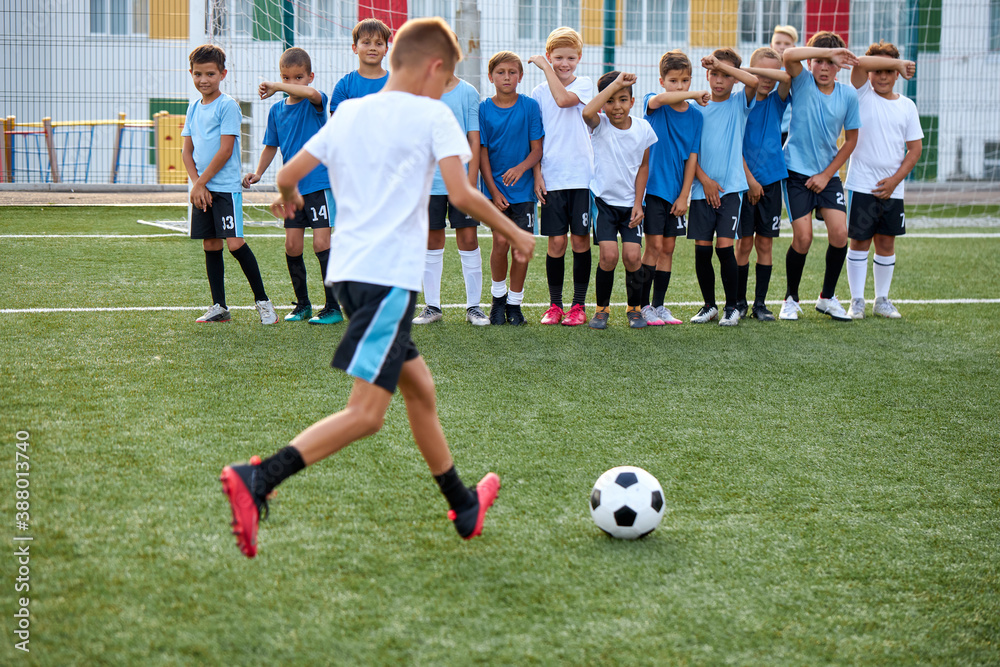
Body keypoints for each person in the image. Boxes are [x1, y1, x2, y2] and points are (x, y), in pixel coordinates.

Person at [219, 18, 536, 559]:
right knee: (366, 414)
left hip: (348, 271)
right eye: (447, 78)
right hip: (387, 278)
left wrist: (288, 197)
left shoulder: (351, 112)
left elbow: (288, 173)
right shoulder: (433, 113)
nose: (444, 88)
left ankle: (462, 506)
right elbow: (461, 193)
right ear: (435, 68)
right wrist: (513, 231)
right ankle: (259, 478)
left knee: (421, 391)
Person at [243, 47, 343, 325]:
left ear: (310, 77)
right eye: (287, 77)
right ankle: (303, 305)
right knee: (292, 246)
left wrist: (276, 85)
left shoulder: (316, 102)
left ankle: (333, 307)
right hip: (292, 191)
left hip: (318, 184)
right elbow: (270, 146)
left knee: (322, 244)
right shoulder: (276, 111)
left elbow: (312, 94)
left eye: (299, 77)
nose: (293, 83)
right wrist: (259, 173)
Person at [181, 44, 276, 325]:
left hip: (224, 189)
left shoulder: (228, 106)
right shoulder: (193, 107)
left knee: (235, 244)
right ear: (191, 73)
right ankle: (219, 307)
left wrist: (201, 183)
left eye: (210, 73)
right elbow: (186, 151)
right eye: (198, 74)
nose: (203, 80)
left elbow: (225, 151)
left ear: (222, 74)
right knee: (211, 244)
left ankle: (264, 303)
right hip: (204, 189)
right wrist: (197, 186)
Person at [779, 32, 860, 321]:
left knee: (840, 233)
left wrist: (827, 175)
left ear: (839, 66)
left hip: (828, 176)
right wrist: (822, 53)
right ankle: (790, 298)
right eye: (818, 61)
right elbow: (788, 56)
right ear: (810, 63)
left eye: (830, 62)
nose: (824, 68)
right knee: (803, 237)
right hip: (796, 173)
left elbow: (851, 140)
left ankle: (827, 297)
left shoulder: (848, 94)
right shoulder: (801, 82)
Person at [844, 42, 922, 319]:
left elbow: (915, 150)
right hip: (861, 185)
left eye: (890, 70)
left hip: (893, 189)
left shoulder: (907, 106)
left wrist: (894, 181)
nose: (883, 76)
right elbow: (858, 64)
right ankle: (856, 301)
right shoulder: (862, 94)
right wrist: (896, 63)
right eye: (878, 70)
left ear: (897, 75)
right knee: (859, 242)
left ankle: (882, 299)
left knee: (886, 243)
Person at [529, 27, 595, 326]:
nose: (564, 63)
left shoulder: (584, 84)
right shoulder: (537, 93)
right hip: (552, 178)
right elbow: (537, 138)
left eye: (570, 57)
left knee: (580, 242)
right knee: (556, 244)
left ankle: (578, 306)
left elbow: (564, 100)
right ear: (549, 55)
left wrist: (545, 69)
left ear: (579, 58)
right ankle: (555, 306)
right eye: (557, 58)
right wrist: (537, 174)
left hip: (580, 178)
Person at [689, 49, 759, 326]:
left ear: (734, 80)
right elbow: (688, 152)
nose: (719, 80)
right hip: (700, 188)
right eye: (714, 73)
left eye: (726, 75)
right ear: (707, 75)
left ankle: (732, 307)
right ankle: (709, 306)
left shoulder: (739, 102)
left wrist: (721, 63)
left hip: (730, 189)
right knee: (703, 249)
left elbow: (753, 82)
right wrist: (704, 180)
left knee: (724, 247)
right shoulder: (695, 107)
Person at [583, 71, 658, 329]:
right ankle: (602, 309)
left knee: (633, 256)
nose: (617, 106)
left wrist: (639, 203)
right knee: (608, 256)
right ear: (604, 104)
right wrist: (616, 84)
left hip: (631, 206)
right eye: (611, 101)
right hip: (604, 204)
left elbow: (643, 167)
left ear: (632, 102)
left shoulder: (643, 129)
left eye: (623, 99)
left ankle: (634, 308)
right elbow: (586, 113)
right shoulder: (599, 124)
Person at [412, 72, 488, 326]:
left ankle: (474, 308)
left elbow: (474, 139)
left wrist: (471, 180)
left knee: (468, 238)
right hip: (428, 182)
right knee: (432, 240)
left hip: (460, 180)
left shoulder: (468, 92)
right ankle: (432, 307)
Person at [640, 50, 708, 326]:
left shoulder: (696, 117)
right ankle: (642, 305)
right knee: (653, 246)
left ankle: (659, 306)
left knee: (668, 249)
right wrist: (690, 95)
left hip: (676, 194)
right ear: (662, 81)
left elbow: (692, 158)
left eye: (685, 81)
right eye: (673, 81)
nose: (680, 86)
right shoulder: (653, 103)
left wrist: (685, 195)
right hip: (654, 189)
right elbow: (662, 99)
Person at [479, 51, 544, 326]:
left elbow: (537, 150)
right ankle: (497, 301)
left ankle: (515, 304)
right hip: (496, 193)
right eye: (501, 72)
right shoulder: (484, 109)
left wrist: (521, 168)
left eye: (512, 72)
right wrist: (493, 192)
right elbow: (482, 155)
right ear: (491, 76)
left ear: (521, 75)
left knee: (520, 248)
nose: (507, 77)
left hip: (524, 192)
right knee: (501, 242)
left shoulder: (529, 106)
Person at [738, 47, 791, 321]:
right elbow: (734, 145)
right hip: (744, 182)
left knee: (766, 246)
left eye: (771, 72)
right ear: (750, 69)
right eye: (760, 71)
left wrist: (765, 72)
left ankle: (760, 304)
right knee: (744, 244)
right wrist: (749, 180)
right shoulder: (740, 102)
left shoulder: (777, 100)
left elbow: (787, 77)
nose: (766, 80)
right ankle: (738, 302)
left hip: (771, 182)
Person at [329, 18, 392, 115]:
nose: (372, 48)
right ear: (355, 48)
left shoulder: (394, 83)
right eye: (366, 43)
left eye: (379, 44)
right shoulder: (344, 86)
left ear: (386, 50)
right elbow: (338, 124)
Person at [770, 24, 798, 145]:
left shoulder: (797, 72)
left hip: (789, 131)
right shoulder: (763, 71)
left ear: (794, 47)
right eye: (778, 43)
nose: (782, 47)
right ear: (771, 46)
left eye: (787, 44)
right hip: (768, 128)